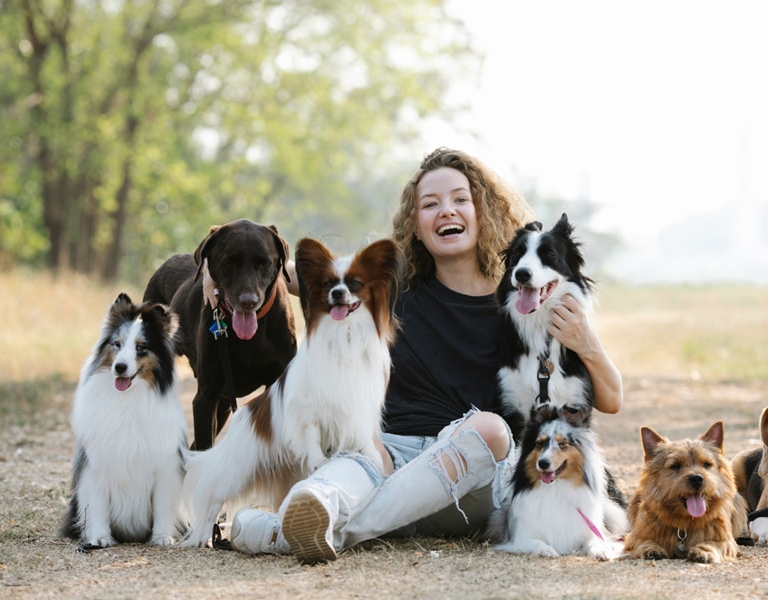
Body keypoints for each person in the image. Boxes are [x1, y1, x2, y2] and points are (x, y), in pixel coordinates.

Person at [227, 147, 623, 563]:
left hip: (473, 474)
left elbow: (611, 400)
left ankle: (288, 532)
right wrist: (217, 279)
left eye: (459, 199)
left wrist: (586, 341)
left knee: (489, 430)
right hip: (390, 456)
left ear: (481, 211)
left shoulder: (521, 302)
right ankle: (314, 509)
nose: (446, 211)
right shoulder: (389, 291)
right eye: (430, 204)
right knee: (361, 448)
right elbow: (288, 272)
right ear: (415, 225)